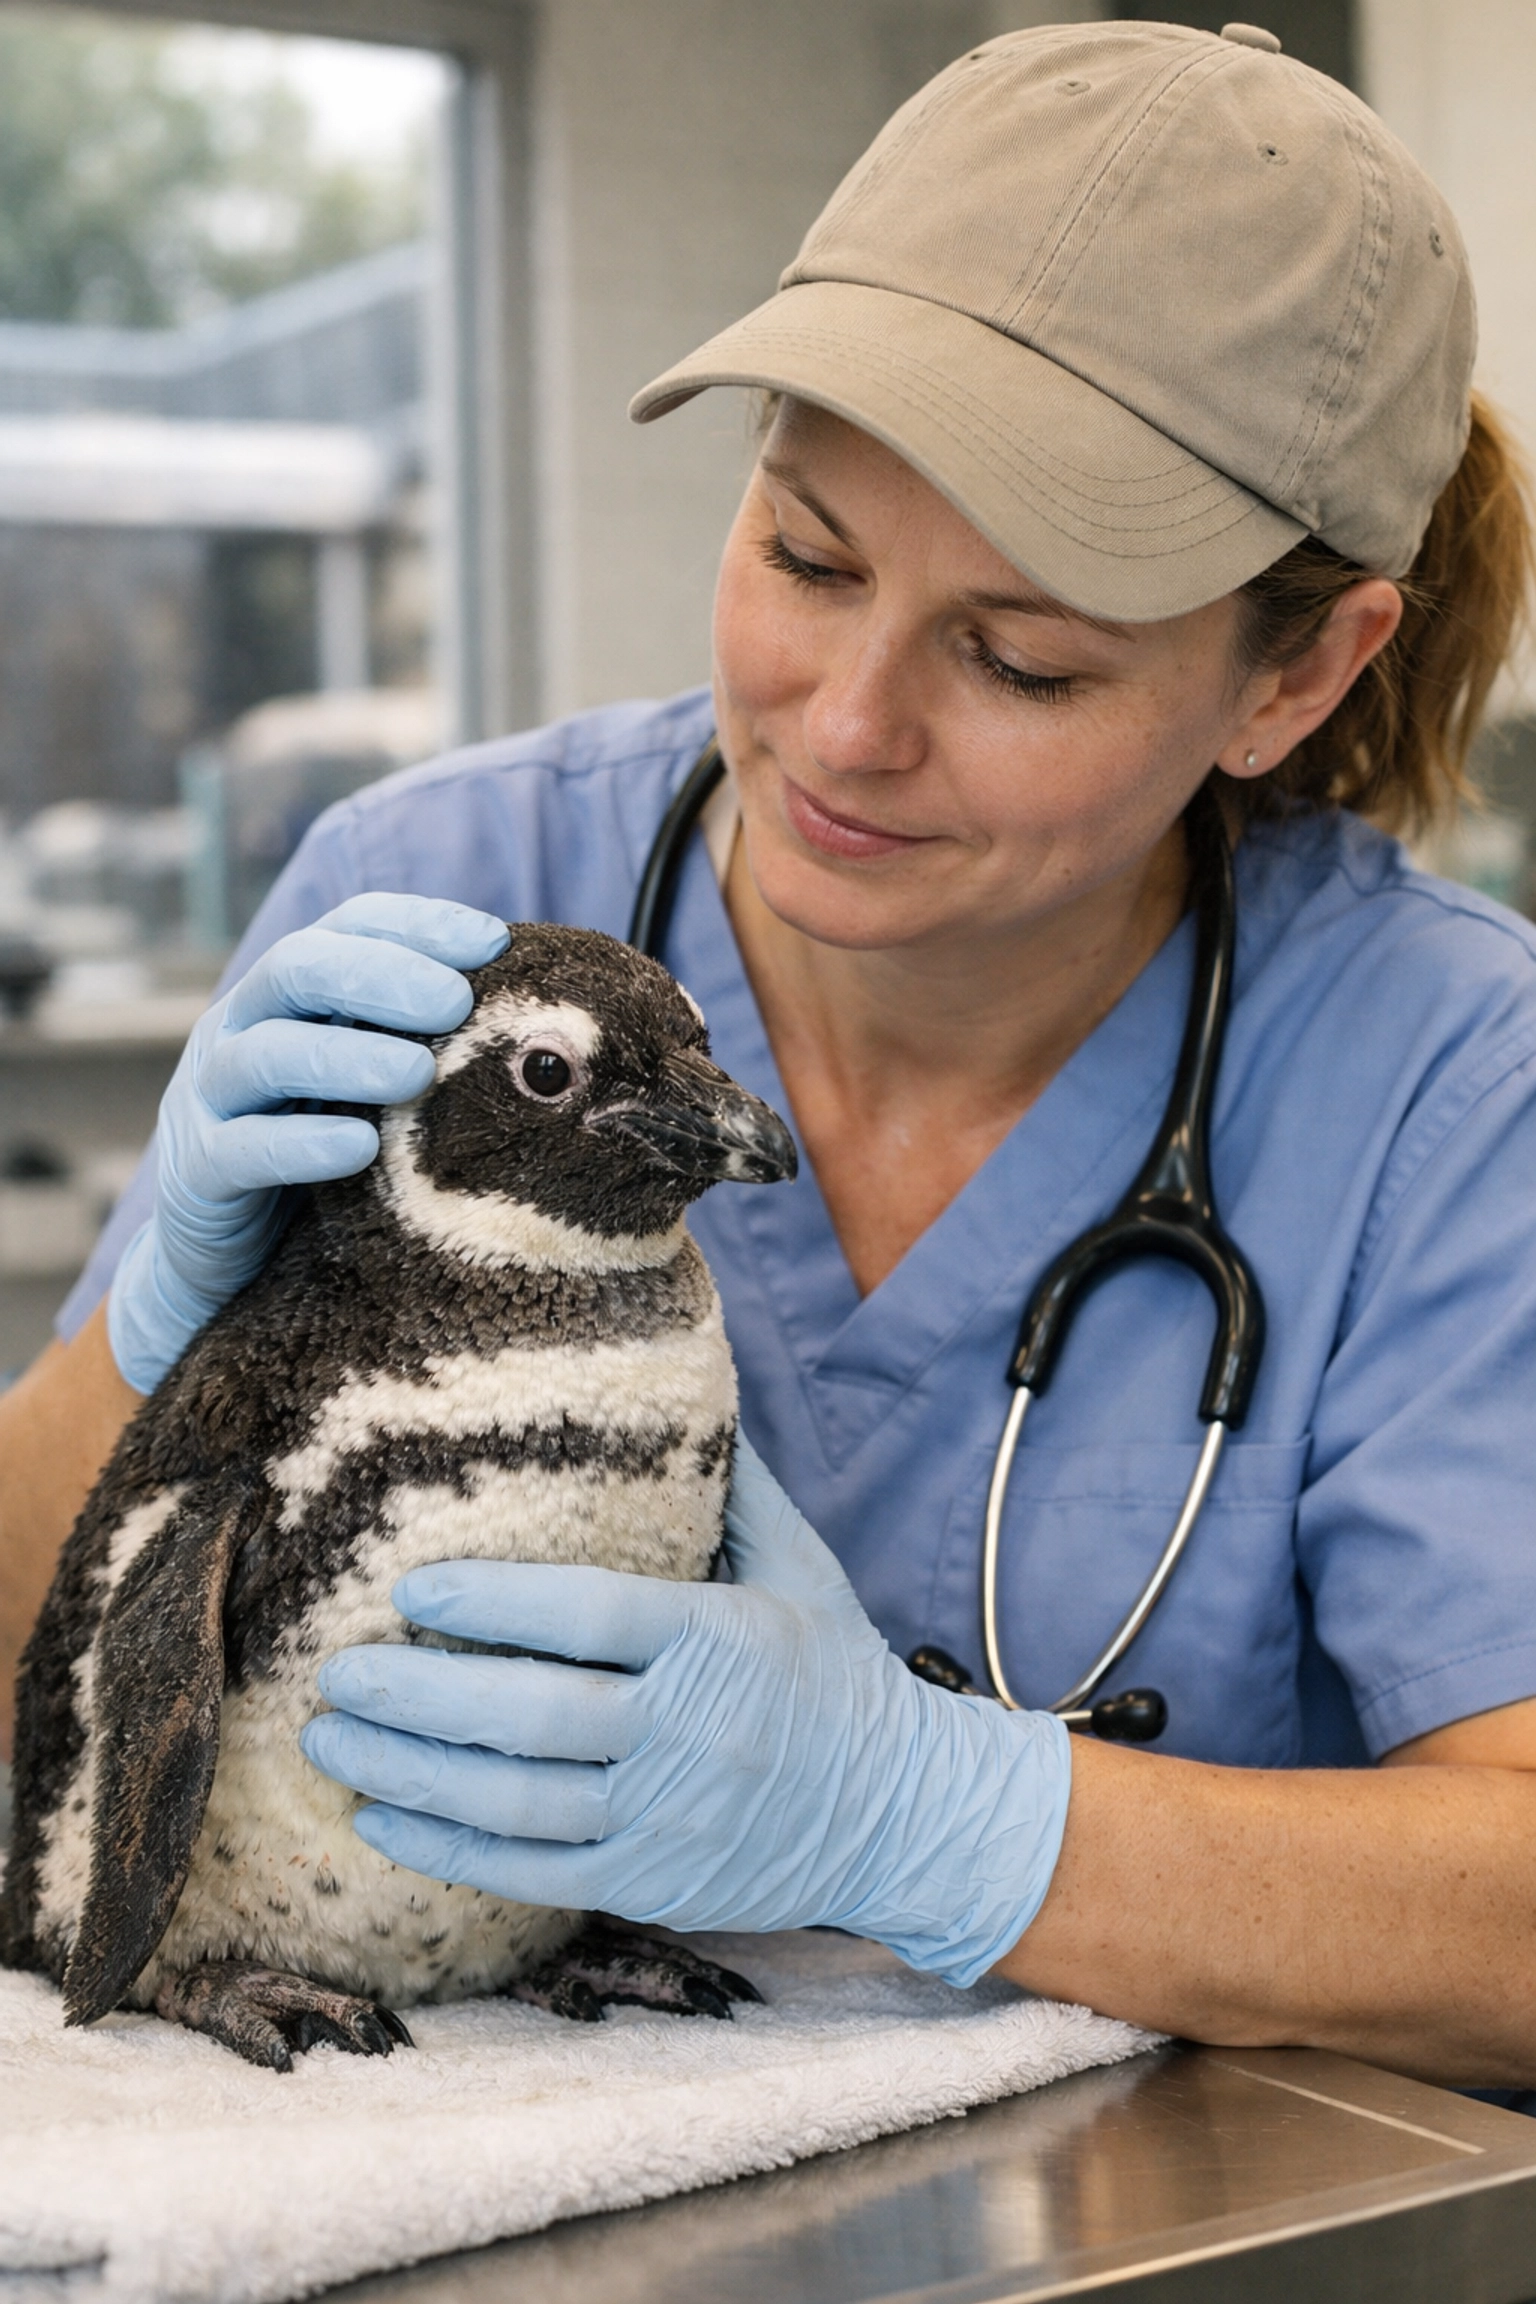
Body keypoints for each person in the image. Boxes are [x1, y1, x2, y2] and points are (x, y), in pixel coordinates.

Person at [6, 17, 1536, 2086]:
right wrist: (141, 1353)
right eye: (806, 554)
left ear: (1298, 674)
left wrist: (938, 1813)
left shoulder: (1449, 1090)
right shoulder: (444, 902)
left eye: (1021, 658)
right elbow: (60, 1740)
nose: (843, 726)